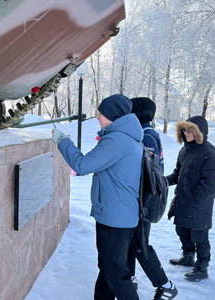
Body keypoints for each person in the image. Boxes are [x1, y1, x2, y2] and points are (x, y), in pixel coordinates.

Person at [51, 94, 142, 300]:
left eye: (102, 113)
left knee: (116, 273)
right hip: (116, 214)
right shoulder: (124, 137)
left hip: (116, 217)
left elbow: (82, 166)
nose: (98, 117)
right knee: (109, 268)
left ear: (113, 115)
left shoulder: (117, 140)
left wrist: (63, 142)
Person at [128, 97, 178, 300]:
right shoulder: (146, 133)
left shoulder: (147, 136)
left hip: (143, 201)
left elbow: (145, 172)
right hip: (140, 199)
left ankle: (165, 284)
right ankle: (130, 278)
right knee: (132, 242)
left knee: (140, 244)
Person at [166, 116, 215, 282]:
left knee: (199, 237)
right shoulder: (184, 150)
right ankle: (188, 257)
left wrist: (195, 200)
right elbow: (178, 172)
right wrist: (163, 180)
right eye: (184, 129)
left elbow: (209, 185)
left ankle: (202, 268)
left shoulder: (209, 154)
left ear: (199, 132)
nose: (186, 133)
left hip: (199, 205)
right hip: (182, 200)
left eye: (190, 130)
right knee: (182, 230)